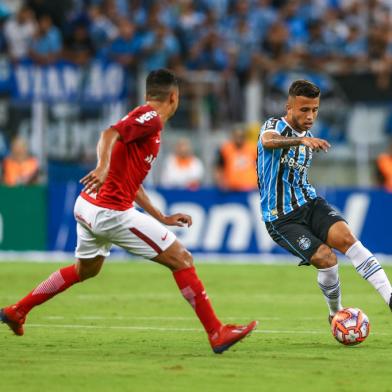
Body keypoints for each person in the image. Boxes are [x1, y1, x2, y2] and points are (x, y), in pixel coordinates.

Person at [0, 69, 257, 354]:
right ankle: (216, 332)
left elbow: (131, 182)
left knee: (85, 270)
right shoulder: (151, 119)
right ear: (175, 97)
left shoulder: (142, 120)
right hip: (110, 212)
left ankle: (17, 310)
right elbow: (108, 133)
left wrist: (160, 217)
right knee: (182, 259)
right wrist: (102, 165)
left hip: (87, 206)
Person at [257, 79, 392, 322]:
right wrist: (301, 140)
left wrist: (304, 139)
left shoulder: (308, 137)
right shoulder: (274, 126)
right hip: (281, 218)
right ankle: (335, 313)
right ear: (289, 107)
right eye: (304, 109)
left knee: (348, 240)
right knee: (326, 259)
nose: (310, 116)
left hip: (309, 203)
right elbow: (268, 141)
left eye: (315, 110)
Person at [215, 127, 258, 191]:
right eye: (236, 136)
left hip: (250, 187)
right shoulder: (226, 149)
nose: (239, 138)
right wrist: (221, 182)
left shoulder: (253, 148)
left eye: (241, 136)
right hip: (231, 188)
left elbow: (261, 167)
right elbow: (219, 167)